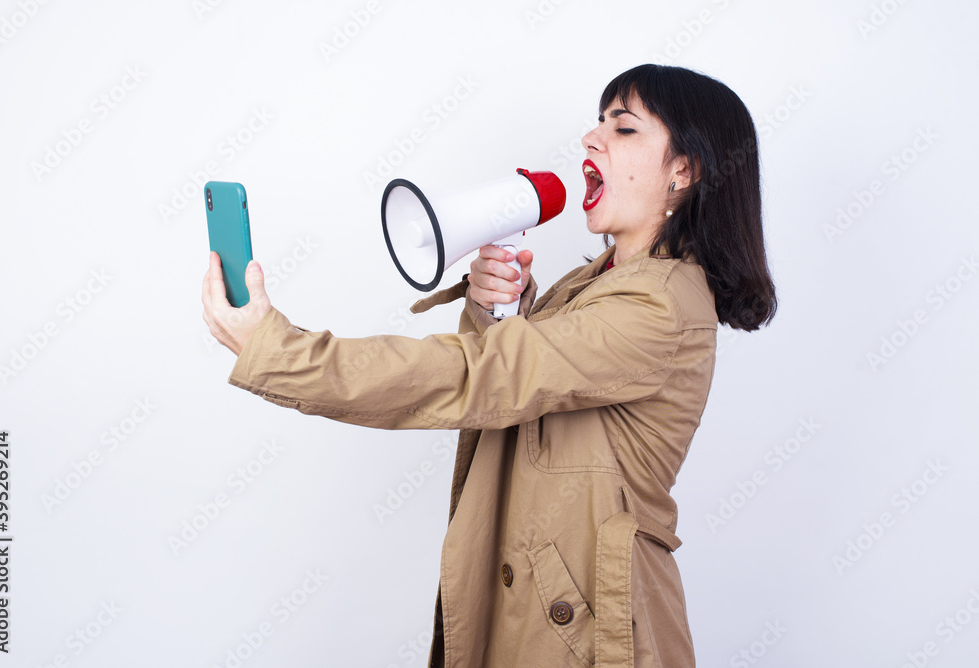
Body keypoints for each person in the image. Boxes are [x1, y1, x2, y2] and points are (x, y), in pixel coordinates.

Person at [202, 63, 776, 668]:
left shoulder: (660, 301)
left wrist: (278, 351)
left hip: (591, 627)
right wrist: (492, 307)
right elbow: (526, 397)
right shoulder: (599, 281)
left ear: (684, 171)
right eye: (598, 121)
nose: (592, 138)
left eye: (625, 128)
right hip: (551, 598)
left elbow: (480, 377)